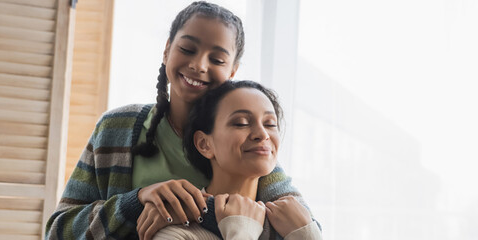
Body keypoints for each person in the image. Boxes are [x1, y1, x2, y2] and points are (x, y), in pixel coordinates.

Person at [45, 2, 314, 239]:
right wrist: (135, 202)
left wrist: (184, 216)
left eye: (217, 59)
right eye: (187, 48)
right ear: (166, 51)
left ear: (232, 71)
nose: (199, 65)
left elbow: (303, 229)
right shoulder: (116, 127)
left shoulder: (247, 143)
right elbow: (57, 232)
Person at [146, 80, 320, 239]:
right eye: (241, 123)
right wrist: (242, 231)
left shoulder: (293, 223)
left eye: (270, 124)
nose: (262, 134)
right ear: (204, 144)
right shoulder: (175, 233)